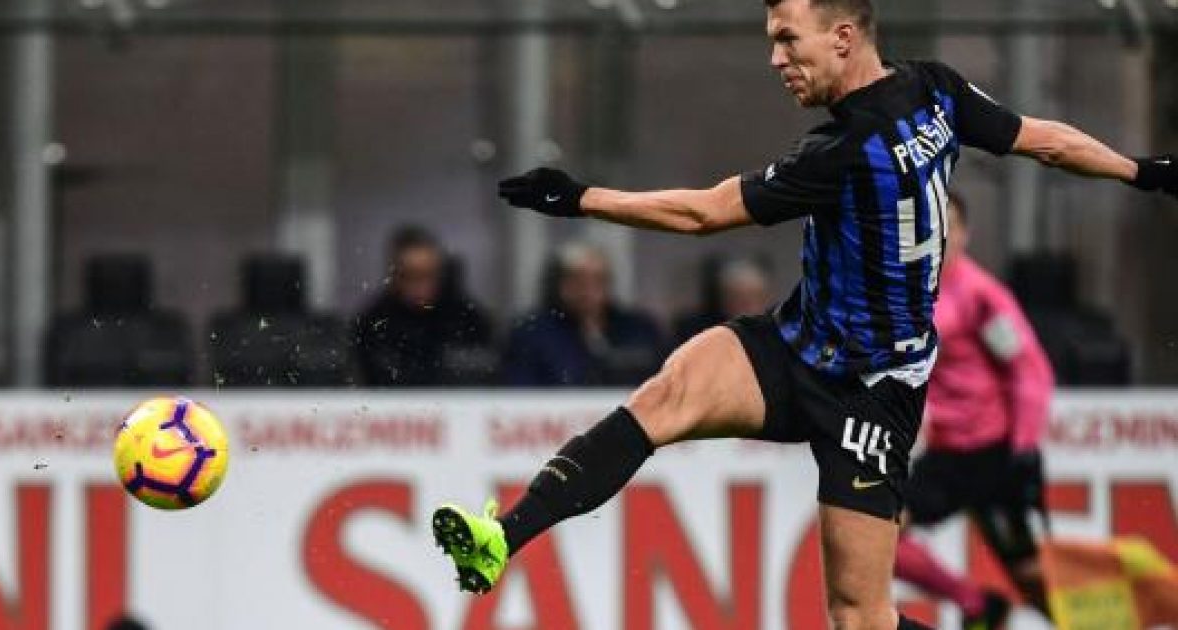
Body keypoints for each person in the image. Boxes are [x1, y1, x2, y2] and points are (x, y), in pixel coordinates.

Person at [431, 0, 1178, 628]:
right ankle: (500, 538)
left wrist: (582, 198)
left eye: (788, 40)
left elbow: (704, 214)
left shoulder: (841, 150)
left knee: (860, 617)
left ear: (843, 37)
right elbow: (1045, 141)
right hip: (795, 345)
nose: (776, 59)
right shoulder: (937, 91)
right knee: (665, 396)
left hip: (872, 394)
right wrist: (1144, 172)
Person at [894, 193, 1054, 630]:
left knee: (1034, 582)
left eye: (950, 226)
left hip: (995, 454)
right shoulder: (907, 292)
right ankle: (978, 605)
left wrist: (1024, 447)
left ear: (965, 234)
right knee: (879, 536)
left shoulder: (981, 297)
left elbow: (1029, 369)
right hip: (947, 457)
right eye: (932, 225)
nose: (940, 236)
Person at [505, 241, 664, 386]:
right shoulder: (531, 332)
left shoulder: (639, 329)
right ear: (558, 283)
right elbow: (520, 390)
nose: (588, 289)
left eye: (598, 279)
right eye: (577, 279)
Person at [354, 226, 497, 386]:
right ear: (394, 276)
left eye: (428, 275)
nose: (420, 286)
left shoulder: (468, 320)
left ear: (441, 273)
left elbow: (486, 375)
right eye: (410, 275)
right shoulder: (374, 323)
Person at [671, 255, 775, 347]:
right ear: (725, 301)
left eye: (756, 298)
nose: (750, 307)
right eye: (740, 299)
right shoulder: (699, 334)